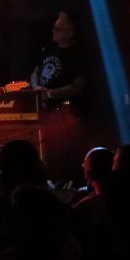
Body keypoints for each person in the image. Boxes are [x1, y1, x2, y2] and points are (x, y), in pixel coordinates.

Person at [29, 10, 89, 183]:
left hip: (66, 112)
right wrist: (36, 87)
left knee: (64, 150)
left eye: (58, 29)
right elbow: (35, 72)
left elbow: (78, 87)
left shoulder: (77, 54)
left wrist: (49, 94)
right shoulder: (50, 49)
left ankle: (65, 182)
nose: (53, 31)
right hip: (46, 111)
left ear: (70, 33)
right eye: (54, 28)